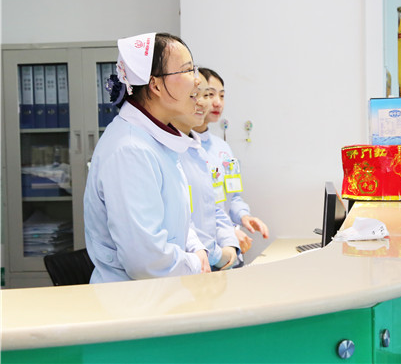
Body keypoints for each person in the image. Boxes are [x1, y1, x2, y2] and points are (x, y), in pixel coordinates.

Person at [84, 32, 211, 283]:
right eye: (187, 70)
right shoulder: (130, 150)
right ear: (155, 85)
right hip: (133, 299)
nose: (197, 80)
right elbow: (145, 262)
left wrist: (196, 248)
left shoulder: (156, 140)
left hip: (165, 290)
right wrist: (196, 263)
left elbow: (176, 222)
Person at [171, 72, 243, 270]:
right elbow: (184, 223)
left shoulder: (204, 150)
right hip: (195, 262)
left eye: (206, 95)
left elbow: (215, 206)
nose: (206, 103)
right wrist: (219, 254)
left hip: (215, 256)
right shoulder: (171, 153)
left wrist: (230, 244)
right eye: (196, 95)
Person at [193, 67, 269, 254]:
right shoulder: (183, 148)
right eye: (209, 94)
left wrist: (243, 216)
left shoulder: (223, 148)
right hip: (203, 250)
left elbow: (233, 196)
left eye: (222, 95)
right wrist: (228, 232)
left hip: (229, 247)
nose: (217, 103)